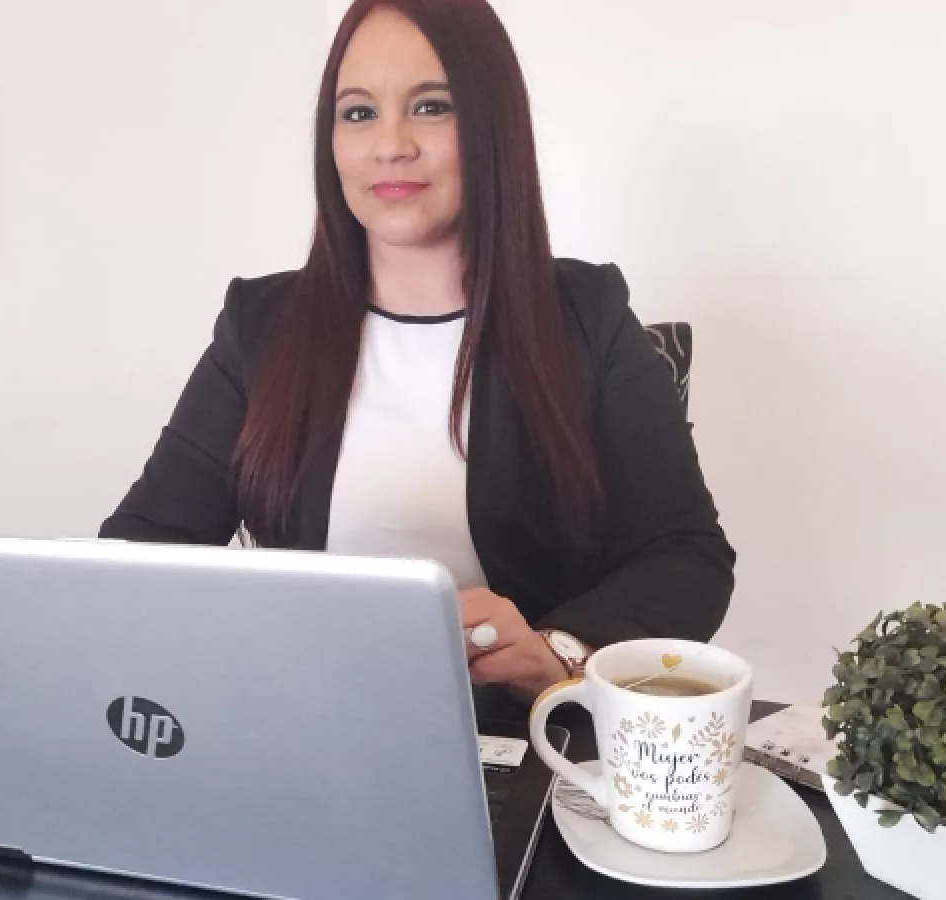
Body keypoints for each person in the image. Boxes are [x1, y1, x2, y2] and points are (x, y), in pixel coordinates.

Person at [101, 0, 734, 701]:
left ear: (492, 126)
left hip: (515, 731)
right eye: (359, 113)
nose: (391, 144)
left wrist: (557, 654)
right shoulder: (261, 323)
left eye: (431, 107)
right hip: (297, 718)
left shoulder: (589, 314)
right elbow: (142, 549)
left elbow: (685, 555)